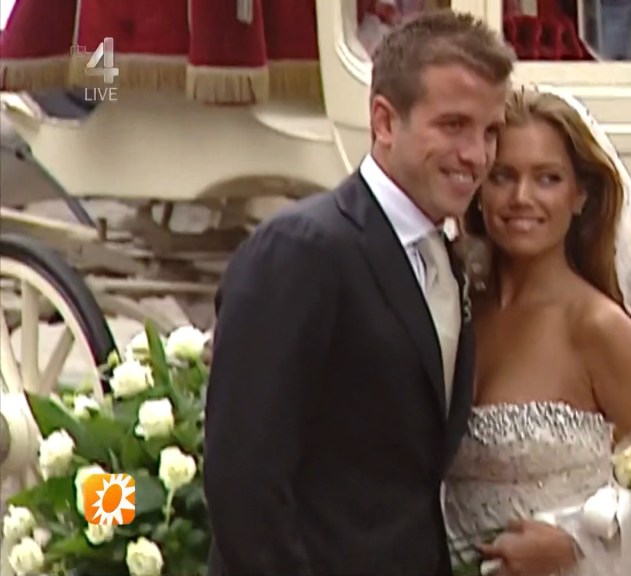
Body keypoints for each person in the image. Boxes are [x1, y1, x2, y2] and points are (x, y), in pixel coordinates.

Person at [203, 11, 514, 575]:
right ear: (385, 121)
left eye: (490, 132)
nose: (477, 155)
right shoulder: (300, 250)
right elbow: (244, 485)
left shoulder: (445, 254)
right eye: (453, 125)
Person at [443, 87, 631, 575]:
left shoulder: (597, 327)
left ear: (579, 195)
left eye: (548, 178)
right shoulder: (456, 310)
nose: (521, 197)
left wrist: (573, 544)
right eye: (502, 176)